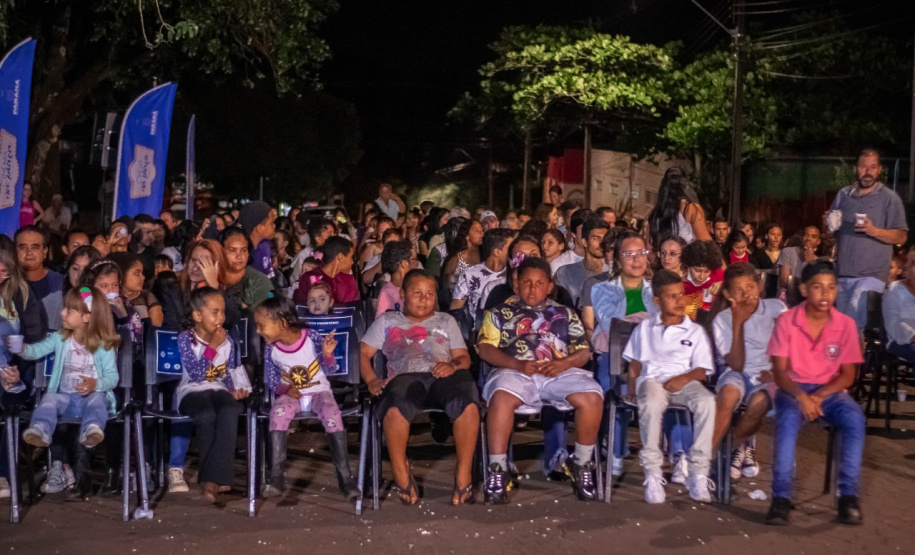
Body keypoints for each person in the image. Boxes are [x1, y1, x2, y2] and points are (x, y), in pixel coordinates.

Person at [478, 257, 602, 504]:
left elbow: (583, 350)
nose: (533, 289)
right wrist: (518, 364)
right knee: (501, 399)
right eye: (526, 283)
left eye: (539, 283)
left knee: (592, 397)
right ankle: (498, 469)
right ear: (516, 285)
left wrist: (563, 363)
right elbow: (484, 349)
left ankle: (581, 462)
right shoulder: (499, 313)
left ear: (549, 286)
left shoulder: (565, 313)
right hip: (514, 371)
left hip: (559, 371)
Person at [360, 270, 480, 505]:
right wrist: (371, 379)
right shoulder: (387, 320)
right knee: (394, 407)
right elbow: (364, 352)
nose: (424, 299)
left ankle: (463, 473)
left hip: (443, 375)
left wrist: (452, 366)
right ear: (403, 294)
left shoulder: (446, 320)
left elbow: (464, 357)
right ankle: (400, 472)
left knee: (468, 402)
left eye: (429, 294)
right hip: (406, 378)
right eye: (417, 293)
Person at [765, 260, 865, 525]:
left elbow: (848, 375)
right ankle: (781, 498)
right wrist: (801, 397)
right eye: (818, 288)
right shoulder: (787, 321)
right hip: (793, 389)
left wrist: (819, 396)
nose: (825, 294)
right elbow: (779, 372)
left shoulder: (845, 325)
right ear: (804, 289)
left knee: (854, 420)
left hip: (830, 392)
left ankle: (848, 496)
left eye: (831, 288)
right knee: (786, 422)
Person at [622, 269, 716, 504]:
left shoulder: (694, 331)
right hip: (653, 380)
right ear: (657, 301)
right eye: (671, 296)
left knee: (707, 402)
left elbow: (702, 369)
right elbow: (634, 363)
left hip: (685, 382)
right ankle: (653, 473)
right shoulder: (645, 328)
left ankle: (698, 472)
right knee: (651, 402)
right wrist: (631, 388)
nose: (679, 301)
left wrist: (682, 379)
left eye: (681, 295)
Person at [254, 296, 359, 499]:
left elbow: (329, 369)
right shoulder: (271, 350)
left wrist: (328, 354)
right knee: (278, 413)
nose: (258, 331)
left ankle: (345, 478)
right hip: (292, 395)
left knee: (331, 413)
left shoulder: (310, 337)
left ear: (282, 323)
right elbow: (272, 380)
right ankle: (276, 477)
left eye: (261, 325)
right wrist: (285, 389)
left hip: (319, 390)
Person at [19, 287, 120, 496]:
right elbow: (37, 350)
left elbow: (113, 377)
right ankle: (40, 430)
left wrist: (95, 384)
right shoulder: (60, 339)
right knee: (49, 399)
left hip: (89, 398)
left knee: (98, 400)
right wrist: (21, 349)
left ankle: (92, 429)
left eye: (69, 310)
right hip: (65, 397)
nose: (62, 313)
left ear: (86, 317)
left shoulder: (103, 346)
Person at [711, 263, 786, 481]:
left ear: (760, 286)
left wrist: (776, 370)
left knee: (758, 403)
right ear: (727, 294)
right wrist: (738, 321)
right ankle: (708, 458)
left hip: (770, 374)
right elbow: (736, 364)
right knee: (728, 394)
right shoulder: (723, 319)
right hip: (738, 372)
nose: (746, 294)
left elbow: (790, 346)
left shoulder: (776, 308)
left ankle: (735, 445)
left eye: (750, 287)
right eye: (738, 290)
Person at [175, 287, 251, 502]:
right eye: (214, 312)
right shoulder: (185, 339)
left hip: (217, 388)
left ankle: (212, 480)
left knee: (230, 409)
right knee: (206, 414)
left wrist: (235, 389)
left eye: (223, 312)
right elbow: (197, 374)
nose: (221, 318)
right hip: (191, 390)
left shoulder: (228, 340)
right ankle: (216, 480)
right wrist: (213, 345)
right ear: (198, 315)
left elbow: (228, 372)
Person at [828, 149, 908, 332]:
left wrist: (874, 231)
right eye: (864, 167)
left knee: (849, 325)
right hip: (843, 274)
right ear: (857, 168)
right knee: (842, 327)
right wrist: (829, 224)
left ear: (879, 170)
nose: (868, 171)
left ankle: (849, 360)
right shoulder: (843, 195)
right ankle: (853, 360)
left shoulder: (890, 199)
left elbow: (902, 237)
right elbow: (831, 233)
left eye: (872, 167)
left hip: (871, 276)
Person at [450, 228, 513, 325]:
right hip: (479, 329)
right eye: (510, 248)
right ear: (497, 252)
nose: (515, 252)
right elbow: (456, 310)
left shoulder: (513, 275)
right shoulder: (469, 275)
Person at [647, 167, 711, 249]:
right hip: (687, 260)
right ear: (685, 186)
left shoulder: (655, 215)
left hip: (662, 260)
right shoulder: (691, 210)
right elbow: (707, 244)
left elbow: (650, 250)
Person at [16, 226, 65, 330]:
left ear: (45, 252)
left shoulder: (62, 283)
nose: (29, 252)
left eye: (35, 247)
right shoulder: (6, 283)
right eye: (23, 247)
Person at [555, 218, 610, 308]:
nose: (602, 243)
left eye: (605, 239)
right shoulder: (565, 273)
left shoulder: (613, 273)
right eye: (596, 238)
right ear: (585, 242)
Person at [293, 236, 359, 305]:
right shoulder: (309, 278)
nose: (352, 262)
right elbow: (303, 309)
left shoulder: (349, 280)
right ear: (340, 257)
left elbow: (355, 308)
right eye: (350, 257)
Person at [221, 228, 274, 310]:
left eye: (243, 250)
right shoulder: (214, 276)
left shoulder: (259, 281)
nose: (239, 256)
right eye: (232, 250)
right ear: (220, 252)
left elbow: (268, 314)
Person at [882, 246, 915, 366]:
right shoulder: (895, 289)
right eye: (907, 261)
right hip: (901, 341)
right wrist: (912, 335)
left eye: (912, 263)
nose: (906, 265)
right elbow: (893, 324)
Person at [681, 240, 724, 319]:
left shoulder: (718, 276)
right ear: (688, 266)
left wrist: (724, 285)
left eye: (706, 271)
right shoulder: (680, 285)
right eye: (697, 270)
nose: (701, 276)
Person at [290, 218, 336, 287]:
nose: (334, 236)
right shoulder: (303, 256)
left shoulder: (337, 253)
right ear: (318, 239)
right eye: (329, 234)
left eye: (334, 233)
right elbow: (295, 281)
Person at [238, 201, 278, 279]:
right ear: (260, 228)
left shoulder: (265, 244)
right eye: (271, 223)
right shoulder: (246, 258)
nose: (274, 225)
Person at [777, 225, 822, 292]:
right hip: (788, 294)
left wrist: (811, 264)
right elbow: (785, 281)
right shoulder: (787, 252)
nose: (808, 239)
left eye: (813, 237)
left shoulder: (818, 261)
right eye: (806, 235)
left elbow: (818, 285)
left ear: (818, 242)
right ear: (802, 237)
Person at [376, 240, 413, 316]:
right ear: (404, 264)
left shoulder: (414, 288)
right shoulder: (386, 293)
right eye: (413, 260)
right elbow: (381, 322)